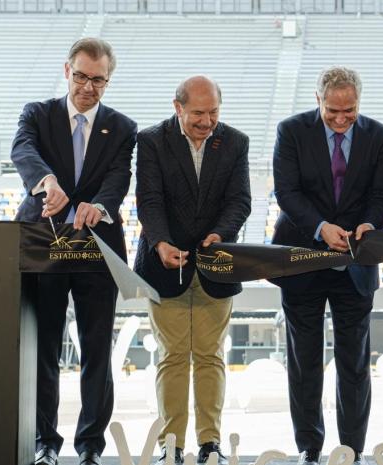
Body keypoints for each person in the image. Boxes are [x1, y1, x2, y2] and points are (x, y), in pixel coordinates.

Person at [11, 38, 136, 465]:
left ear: (108, 81)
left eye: (98, 79)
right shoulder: (37, 113)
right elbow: (22, 150)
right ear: (67, 71)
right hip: (42, 246)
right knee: (44, 346)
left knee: (96, 348)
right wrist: (47, 181)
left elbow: (119, 178)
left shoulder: (122, 127)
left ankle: (90, 447)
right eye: (81, 76)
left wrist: (99, 205)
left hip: (97, 250)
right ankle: (45, 441)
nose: (88, 86)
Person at [270, 66, 383, 465]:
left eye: (350, 111)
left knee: (354, 362)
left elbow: (381, 195)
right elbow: (286, 192)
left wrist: (369, 225)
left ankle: (352, 449)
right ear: (317, 99)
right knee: (304, 362)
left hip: (356, 263)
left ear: (359, 102)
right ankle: (309, 447)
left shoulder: (379, 136)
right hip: (302, 261)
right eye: (332, 112)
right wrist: (321, 228)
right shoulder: (291, 131)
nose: (341, 120)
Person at [134, 76, 251, 465]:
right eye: (198, 113)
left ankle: (209, 443)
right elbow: (149, 200)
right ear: (177, 107)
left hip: (216, 265)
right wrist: (160, 242)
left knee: (209, 355)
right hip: (164, 263)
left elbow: (240, 201)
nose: (207, 121)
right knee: (172, 355)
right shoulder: (151, 141)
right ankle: (171, 445)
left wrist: (221, 232)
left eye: (214, 112)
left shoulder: (235, 142)